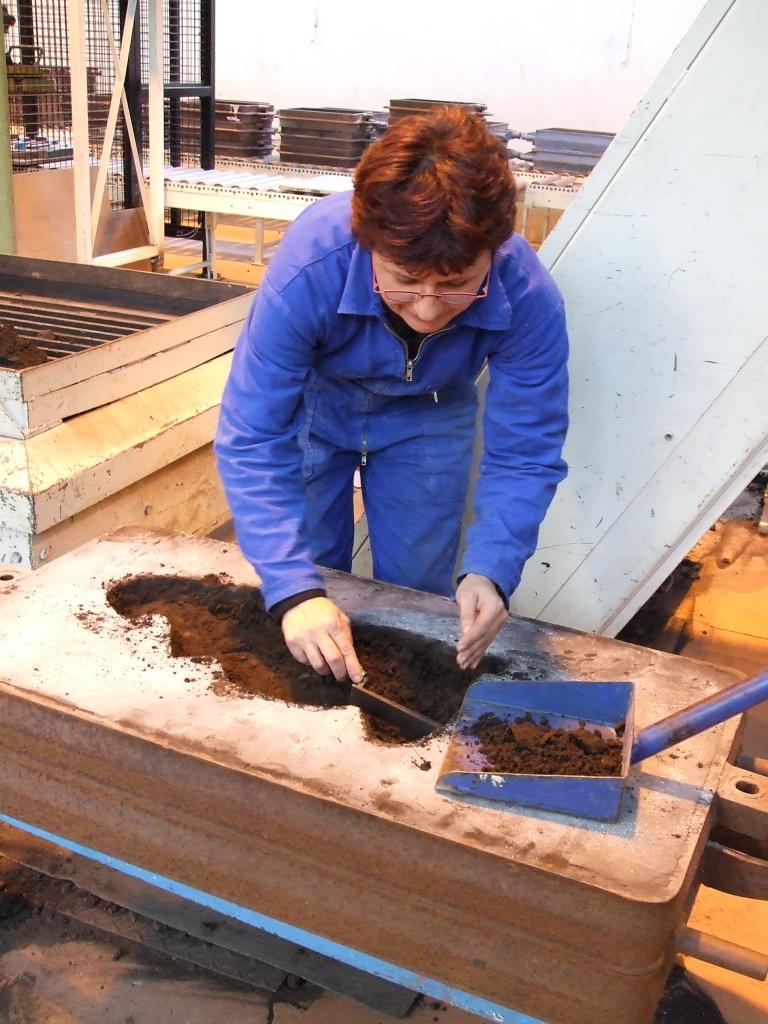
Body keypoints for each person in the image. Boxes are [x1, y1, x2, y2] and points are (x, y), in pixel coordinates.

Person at [215, 107, 568, 684]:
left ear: (495, 251)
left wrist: (491, 571)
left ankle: (396, 706)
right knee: (310, 576)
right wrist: (290, 589)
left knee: (416, 593)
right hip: (318, 403)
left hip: (431, 410)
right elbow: (253, 434)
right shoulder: (313, 261)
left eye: (456, 287)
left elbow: (526, 449)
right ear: (367, 241)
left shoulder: (527, 294)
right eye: (405, 282)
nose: (428, 311)